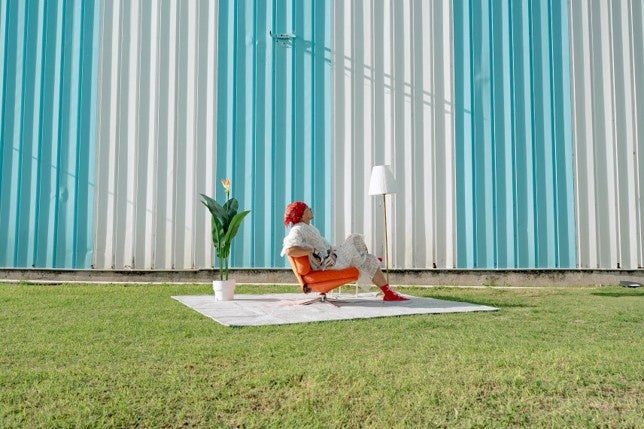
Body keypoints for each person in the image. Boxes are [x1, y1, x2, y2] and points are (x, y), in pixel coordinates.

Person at [281, 201, 409, 301]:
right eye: (307, 209)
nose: (310, 209)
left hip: (333, 257)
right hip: (328, 265)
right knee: (354, 238)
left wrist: (331, 252)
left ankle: (386, 291)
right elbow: (290, 249)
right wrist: (312, 250)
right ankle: (361, 258)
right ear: (302, 215)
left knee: (368, 257)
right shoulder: (298, 229)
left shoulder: (308, 227)